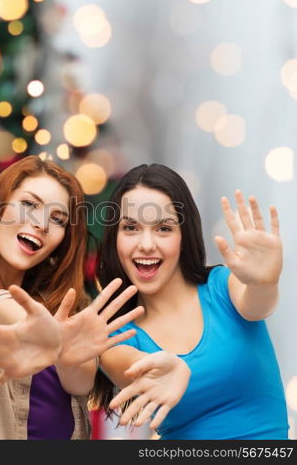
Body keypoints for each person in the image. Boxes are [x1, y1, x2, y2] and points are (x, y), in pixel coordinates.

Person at [0, 155, 144, 439]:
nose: (42, 224)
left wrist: (62, 349)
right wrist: (47, 334)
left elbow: (80, 384)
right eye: (29, 204)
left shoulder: (65, 308)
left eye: (58, 219)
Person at [90, 163, 289, 439]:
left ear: (184, 236)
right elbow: (131, 367)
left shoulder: (222, 286)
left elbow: (257, 303)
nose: (146, 244)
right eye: (131, 227)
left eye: (163, 229)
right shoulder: (115, 331)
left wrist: (264, 282)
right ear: (114, 239)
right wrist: (162, 370)